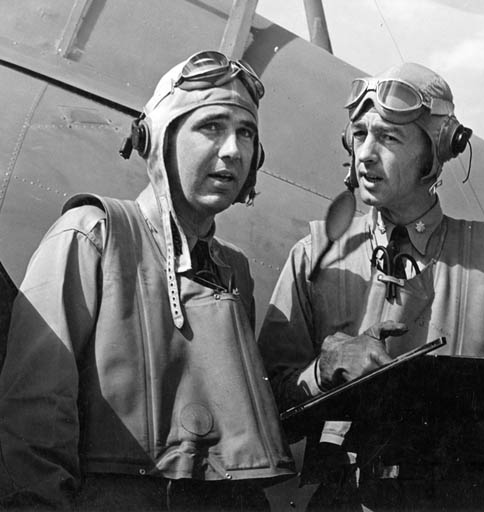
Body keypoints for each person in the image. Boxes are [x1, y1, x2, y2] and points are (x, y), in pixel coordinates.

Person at [258, 62, 484, 511]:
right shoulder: (314, 257)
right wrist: (323, 368)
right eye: (359, 134)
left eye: (389, 137)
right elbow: (261, 411)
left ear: (435, 152)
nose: (365, 153)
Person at [0, 50, 294, 510]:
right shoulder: (94, 233)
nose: (234, 150)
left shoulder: (234, 270)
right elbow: (36, 412)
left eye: (246, 133)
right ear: (161, 139)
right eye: (211, 127)